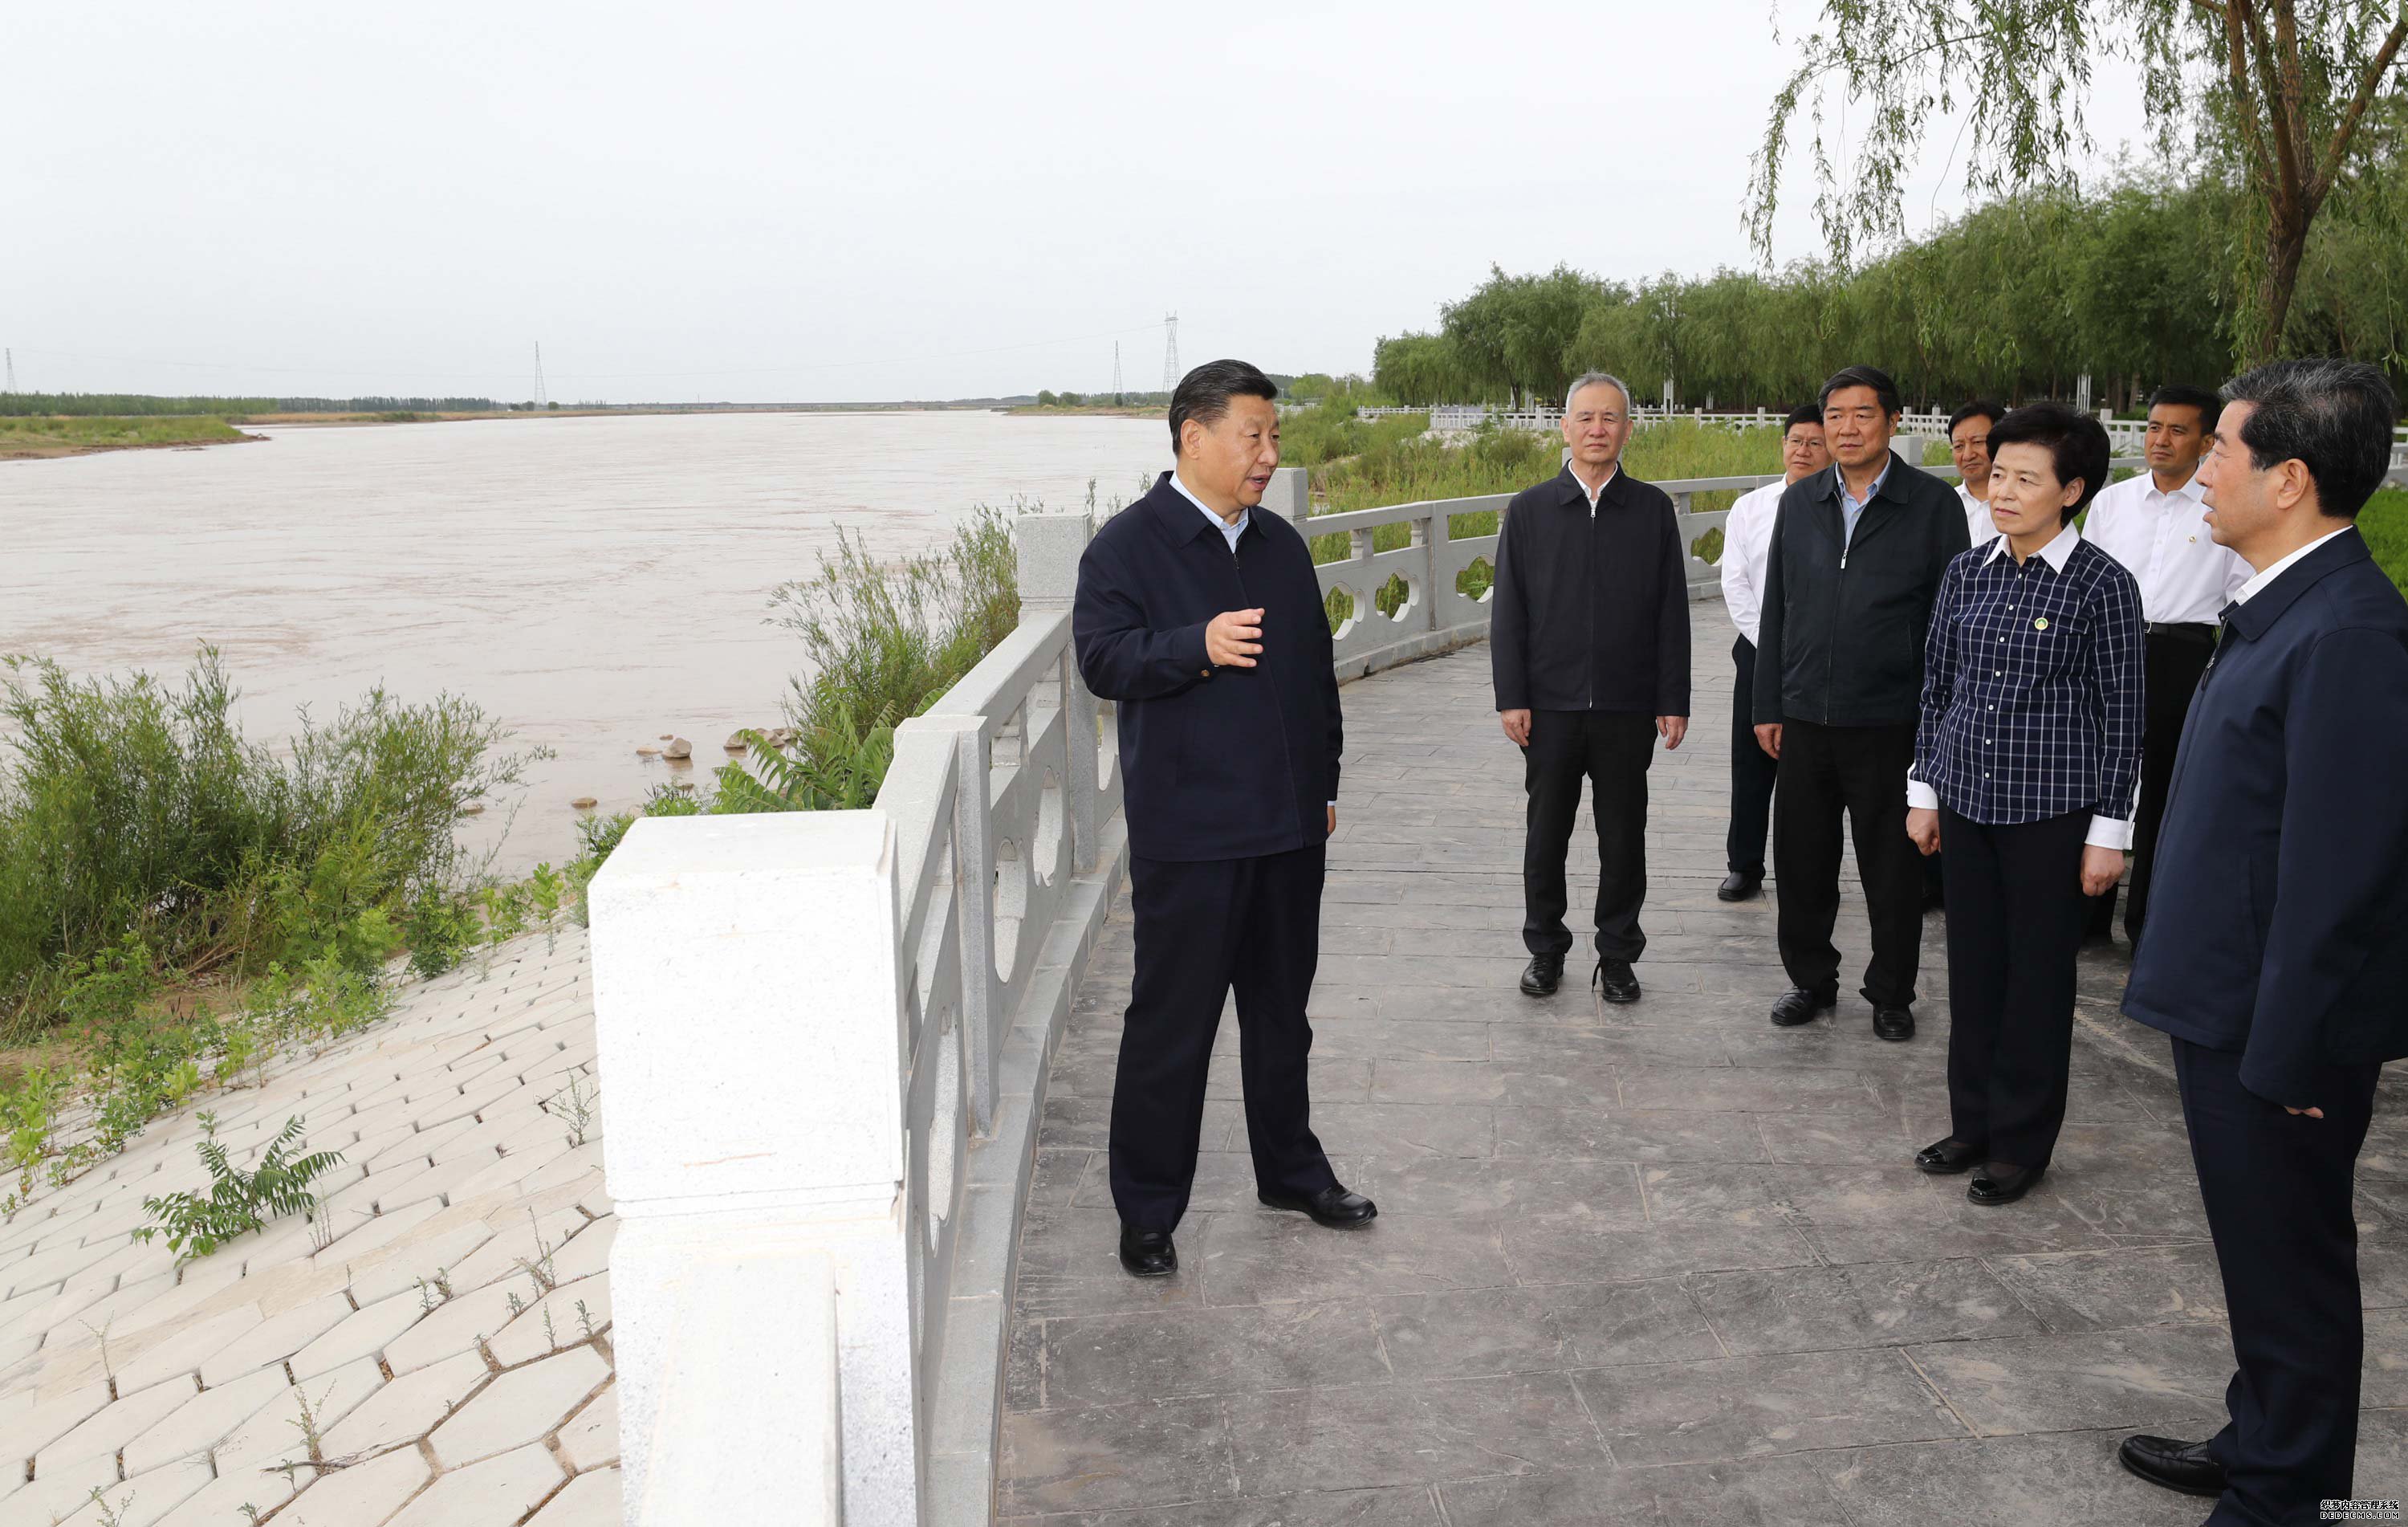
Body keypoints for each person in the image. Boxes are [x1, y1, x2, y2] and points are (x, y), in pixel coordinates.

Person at [2116, 359, 2408, 1525]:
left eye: (2223, 451)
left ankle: (2282, 1493)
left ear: (2289, 480)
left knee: (2291, 1266)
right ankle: (2261, 1434)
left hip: (2271, 1034)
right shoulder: (2286, 604)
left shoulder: (2347, 633)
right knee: (2261, 1252)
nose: (2200, 470)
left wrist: (2290, 1059)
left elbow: (2341, 878)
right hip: (2228, 1003)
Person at [1072, 358, 1374, 1280]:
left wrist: (1322, 786)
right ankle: (1149, 1211)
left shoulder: (1280, 546)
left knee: (1283, 1019)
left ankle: (1291, 1172)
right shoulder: (1126, 549)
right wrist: (1194, 648)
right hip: (1192, 838)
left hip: (1287, 832)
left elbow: (1315, 679)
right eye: (1255, 436)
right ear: (1192, 437)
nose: (1270, 455)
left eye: (1275, 438)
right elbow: (1103, 661)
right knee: (1174, 1027)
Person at [1904, 404, 2142, 1207]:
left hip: (2053, 815)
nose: (2003, 491)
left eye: (2026, 479)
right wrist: (1924, 789)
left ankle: (2021, 1140)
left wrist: (2110, 834)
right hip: (1966, 802)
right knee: (1972, 971)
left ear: (2071, 489)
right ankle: (1971, 1120)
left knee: (2037, 981)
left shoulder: (2103, 585)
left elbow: (2123, 716)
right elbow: (1937, 687)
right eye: (1998, 474)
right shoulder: (1967, 572)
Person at [1753, 365, 1971, 1040]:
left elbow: (1950, 619)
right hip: (1805, 720)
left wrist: (1939, 721)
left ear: (1894, 422)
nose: (1846, 428)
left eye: (1863, 414)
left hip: (1890, 721)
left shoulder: (1932, 506)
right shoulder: (1800, 503)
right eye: (1835, 416)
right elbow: (1776, 611)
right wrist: (1768, 703)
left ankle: (1891, 991)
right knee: (1802, 862)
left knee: (1893, 869)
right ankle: (1810, 980)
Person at [1491, 371, 1691, 1000]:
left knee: (1623, 836)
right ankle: (1545, 950)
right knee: (1545, 834)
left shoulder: (1653, 510)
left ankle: (1619, 955)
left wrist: (1672, 700)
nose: (1598, 429)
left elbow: (1671, 613)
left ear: (1628, 429)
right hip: (1548, 708)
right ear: (1565, 427)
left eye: (1610, 418)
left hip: (1627, 708)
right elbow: (1509, 615)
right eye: (1586, 418)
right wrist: (1511, 695)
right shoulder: (1529, 511)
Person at [2078, 384, 2247, 947]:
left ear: (2204, 442)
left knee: (2165, 795)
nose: (2162, 440)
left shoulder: (2221, 507)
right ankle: (2085, 919)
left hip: (2185, 654)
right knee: (2094, 779)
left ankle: (2147, 921)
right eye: (2154, 427)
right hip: (2110, 650)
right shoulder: (2111, 503)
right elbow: (2084, 586)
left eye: (2178, 430)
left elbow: (2238, 596)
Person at [1716, 404, 1828, 902]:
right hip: (1759, 653)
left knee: (1813, 770)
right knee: (1751, 760)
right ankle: (1744, 863)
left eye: (1814, 442)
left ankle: (1807, 873)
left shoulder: (1840, 509)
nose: (1803, 451)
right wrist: (1774, 643)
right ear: (1783, 445)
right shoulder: (1751, 508)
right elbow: (1735, 582)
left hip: (1822, 656)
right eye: (1795, 441)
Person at [1948, 399, 2007, 544]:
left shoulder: (2020, 505)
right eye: (1959, 446)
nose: (1968, 455)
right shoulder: (1946, 503)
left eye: (1978, 442)